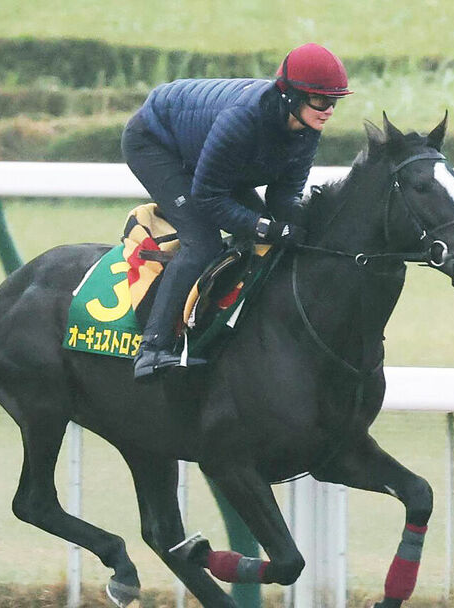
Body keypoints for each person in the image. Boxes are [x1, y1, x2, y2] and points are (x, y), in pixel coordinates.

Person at [121, 43, 352, 381]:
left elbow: (284, 197)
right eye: (321, 100)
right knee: (202, 242)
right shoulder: (243, 119)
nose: (328, 110)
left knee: (271, 237)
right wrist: (267, 228)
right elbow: (209, 198)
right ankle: (153, 349)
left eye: (334, 102)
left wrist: (301, 226)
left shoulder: (306, 126)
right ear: (290, 96)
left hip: (212, 154)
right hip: (157, 143)